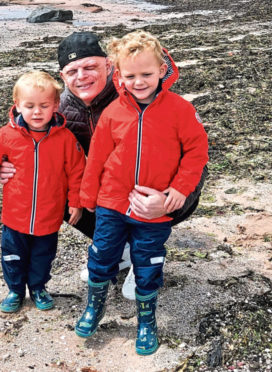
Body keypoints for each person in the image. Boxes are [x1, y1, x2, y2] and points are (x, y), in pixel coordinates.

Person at [0, 32, 207, 299]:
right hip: (111, 193)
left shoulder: (142, 94)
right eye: (73, 71)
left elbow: (198, 156)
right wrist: (7, 163)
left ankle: (146, 254)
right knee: (53, 186)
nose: (82, 76)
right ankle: (118, 249)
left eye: (90, 67)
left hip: (161, 189)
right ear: (63, 77)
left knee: (154, 204)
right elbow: (21, 127)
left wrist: (171, 197)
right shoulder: (58, 111)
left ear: (109, 66)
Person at [74, 31, 209, 356]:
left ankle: (146, 321)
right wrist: (87, 198)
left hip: (156, 206)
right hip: (111, 204)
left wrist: (179, 190)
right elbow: (97, 160)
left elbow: (197, 151)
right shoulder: (113, 113)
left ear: (162, 70)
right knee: (101, 255)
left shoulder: (179, 110)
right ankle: (95, 306)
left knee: (149, 263)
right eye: (130, 75)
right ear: (118, 75)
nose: (139, 82)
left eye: (146, 74)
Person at [0, 71, 85, 313]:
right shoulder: (6, 135)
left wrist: (76, 202)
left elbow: (77, 171)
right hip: (15, 216)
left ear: (55, 105)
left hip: (49, 216)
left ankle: (38, 287)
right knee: (13, 255)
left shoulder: (64, 138)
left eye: (44, 105)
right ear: (18, 105)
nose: (37, 112)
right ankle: (14, 290)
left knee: (43, 257)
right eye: (29, 105)